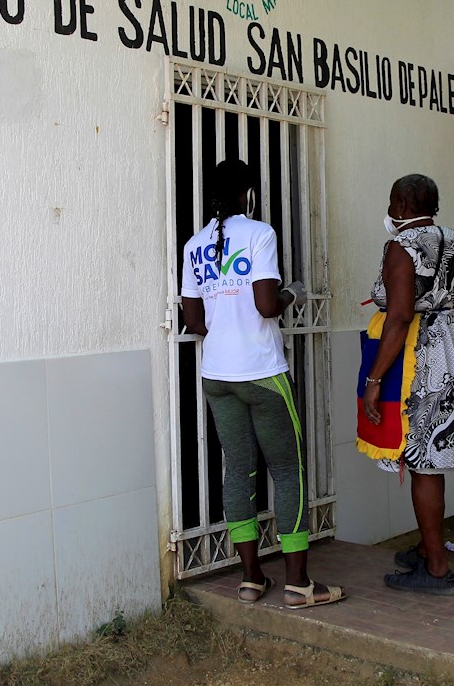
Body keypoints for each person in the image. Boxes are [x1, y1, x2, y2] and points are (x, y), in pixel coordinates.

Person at [180, 159, 344, 609]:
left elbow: (193, 321)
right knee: (287, 469)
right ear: (247, 194)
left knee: (238, 468)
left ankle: (251, 580)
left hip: (217, 376)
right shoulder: (259, 234)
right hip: (262, 373)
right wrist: (295, 292)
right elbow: (268, 306)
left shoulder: (194, 246)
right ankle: (298, 585)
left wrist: (227, 335)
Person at [361, 174, 454, 595]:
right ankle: (427, 546)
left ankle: (436, 568)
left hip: (420, 355)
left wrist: (375, 380)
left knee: (422, 461)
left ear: (399, 205)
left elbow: (398, 317)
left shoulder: (401, 247)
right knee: (432, 457)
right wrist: (442, 301)